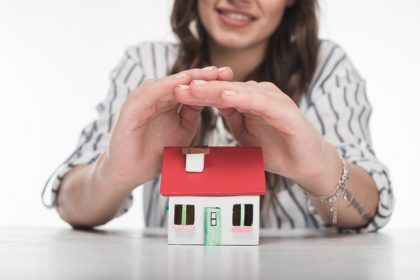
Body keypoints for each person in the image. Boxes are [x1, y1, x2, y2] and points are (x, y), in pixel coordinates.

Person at [42, 0, 393, 232]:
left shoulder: (326, 67)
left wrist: (319, 168)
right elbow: (71, 202)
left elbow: (368, 208)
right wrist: (113, 174)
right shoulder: (146, 65)